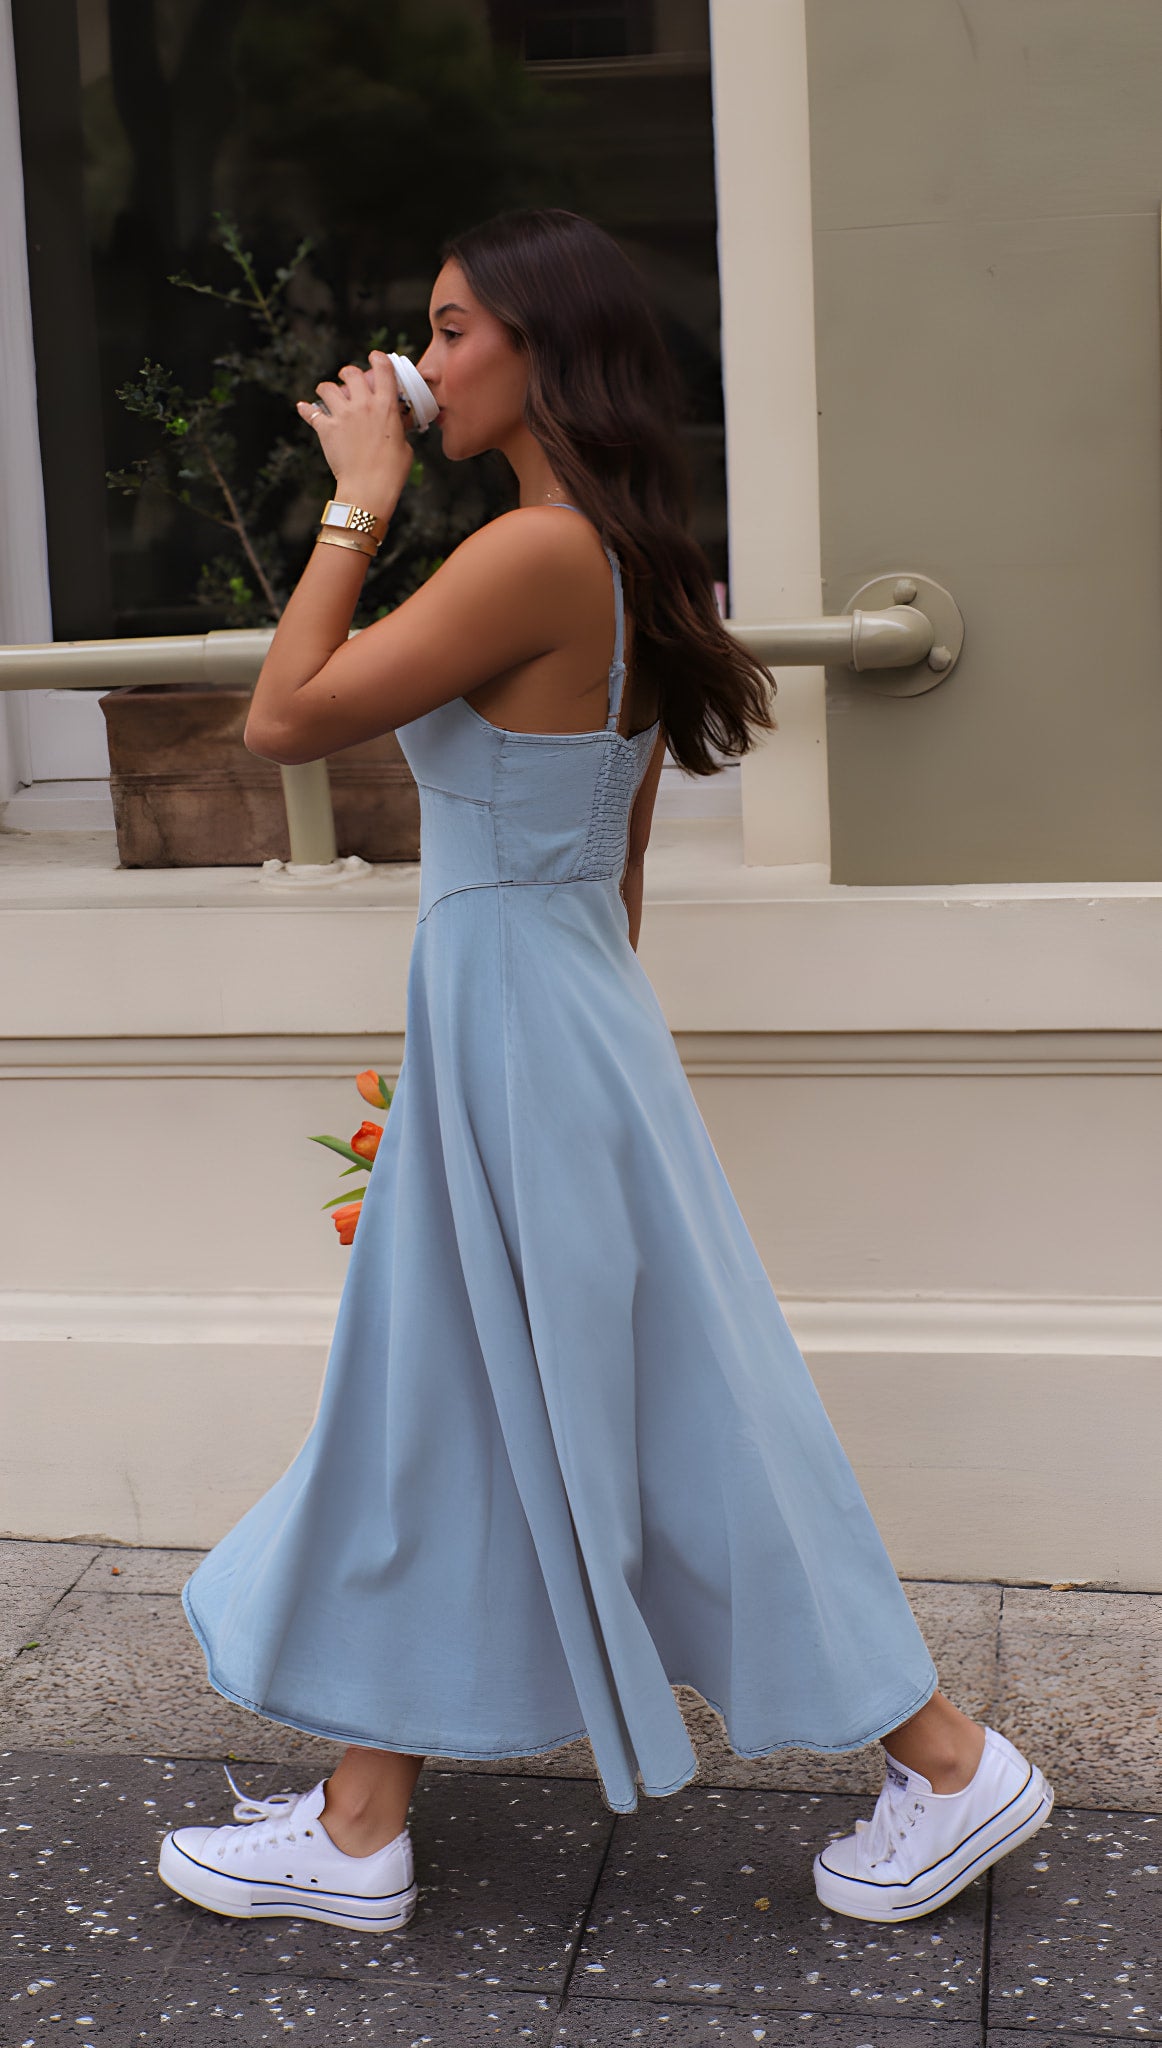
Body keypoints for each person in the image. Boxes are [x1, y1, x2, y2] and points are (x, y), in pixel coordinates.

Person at [158, 208, 1051, 1936]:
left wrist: (352, 497)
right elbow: (617, 880)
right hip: (553, 1015)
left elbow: (286, 718)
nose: (421, 368)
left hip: (521, 1020)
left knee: (645, 1409)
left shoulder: (536, 556)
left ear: (541, 348)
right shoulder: (627, 556)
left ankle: (943, 1758)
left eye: (448, 331)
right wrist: (529, 1066)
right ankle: (359, 1825)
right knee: (450, 1406)